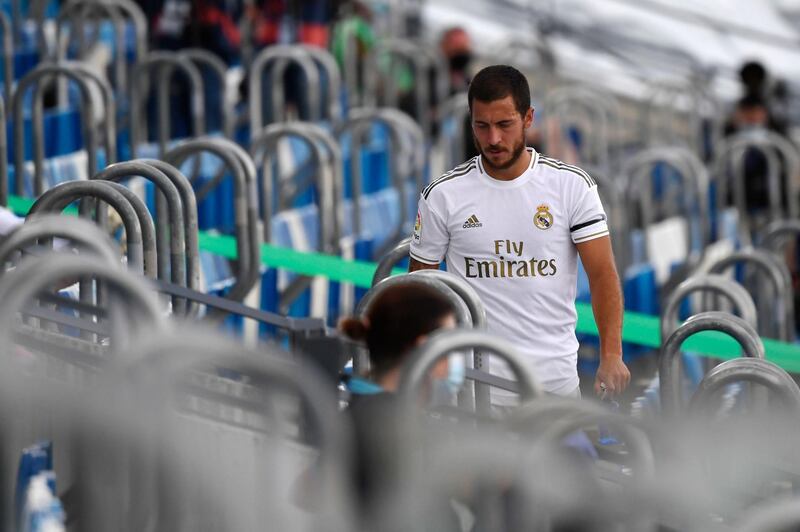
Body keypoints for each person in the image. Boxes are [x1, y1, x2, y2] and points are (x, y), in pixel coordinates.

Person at [409, 65, 629, 401]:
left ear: (528, 119)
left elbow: (602, 274)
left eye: (504, 125)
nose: (493, 139)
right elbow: (421, 290)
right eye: (481, 126)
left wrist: (611, 354)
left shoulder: (571, 187)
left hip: (554, 387)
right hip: (474, 391)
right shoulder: (443, 194)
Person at [338, 281, 461, 527]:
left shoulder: (368, 409)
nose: (454, 355)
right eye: (448, 344)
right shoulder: (386, 423)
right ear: (422, 348)